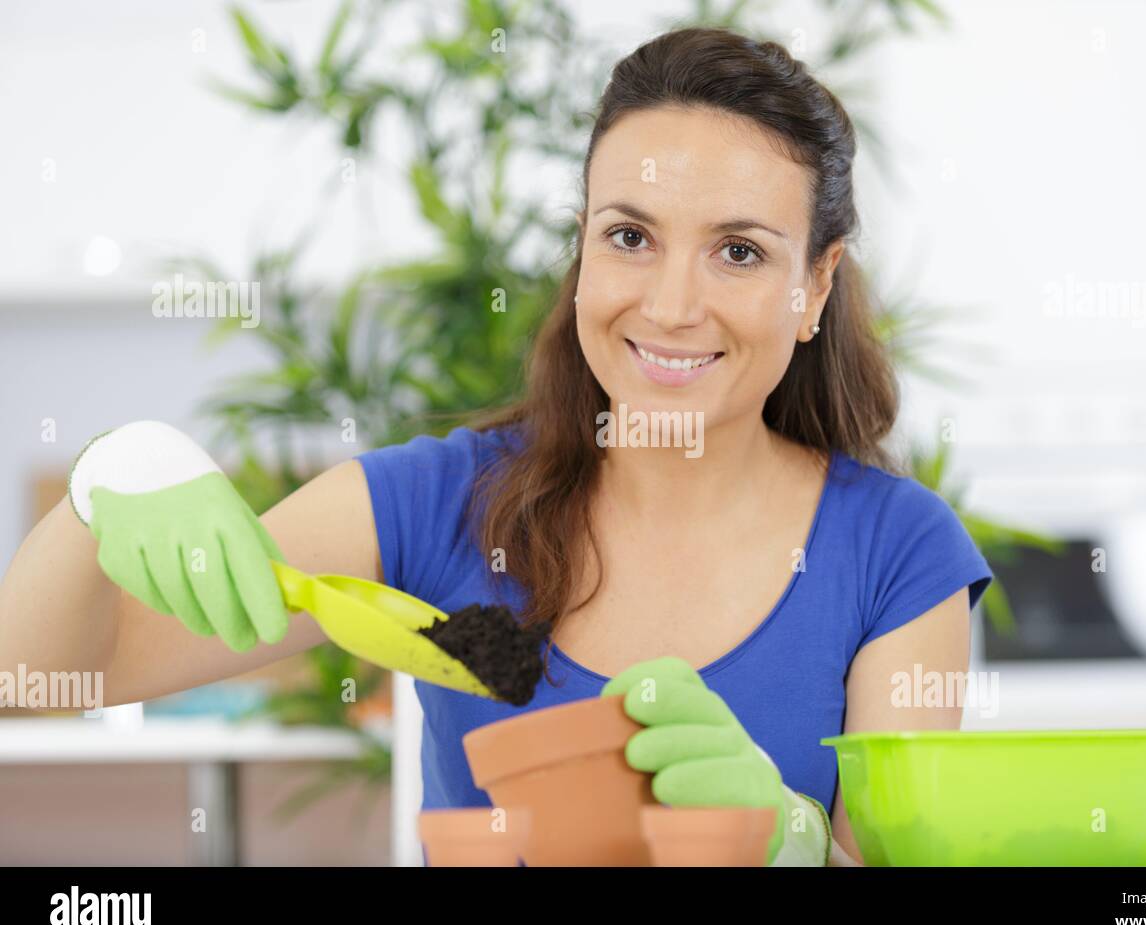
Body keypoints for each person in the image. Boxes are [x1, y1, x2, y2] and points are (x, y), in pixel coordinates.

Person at [0, 26, 992, 866]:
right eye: (630, 237)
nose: (671, 303)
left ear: (814, 286)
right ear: (581, 247)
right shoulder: (435, 502)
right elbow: (36, 684)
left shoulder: (896, 552)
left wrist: (787, 838)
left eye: (738, 251)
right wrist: (106, 481)